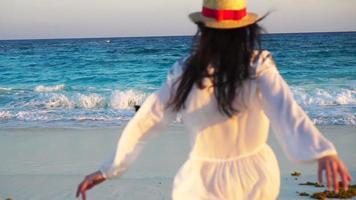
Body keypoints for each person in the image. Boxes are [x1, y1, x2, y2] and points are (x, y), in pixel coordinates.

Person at [76, 0, 352, 199]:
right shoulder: (257, 66)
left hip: (200, 183)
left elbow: (145, 120)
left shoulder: (186, 72)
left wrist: (108, 169)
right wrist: (321, 151)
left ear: (204, 31)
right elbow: (285, 109)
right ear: (246, 29)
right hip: (255, 177)